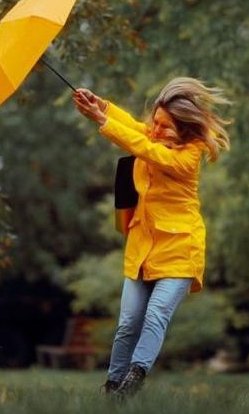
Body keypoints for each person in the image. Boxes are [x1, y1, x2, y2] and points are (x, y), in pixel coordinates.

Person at [72, 77, 231, 398]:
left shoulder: (187, 156)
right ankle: (112, 389)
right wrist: (101, 105)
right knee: (128, 322)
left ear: (183, 129)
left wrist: (102, 122)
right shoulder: (154, 134)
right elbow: (132, 126)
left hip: (179, 249)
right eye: (154, 122)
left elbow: (143, 148)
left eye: (163, 126)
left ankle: (135, 378)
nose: (154, 130)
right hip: (142, 246)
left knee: (156, 314)